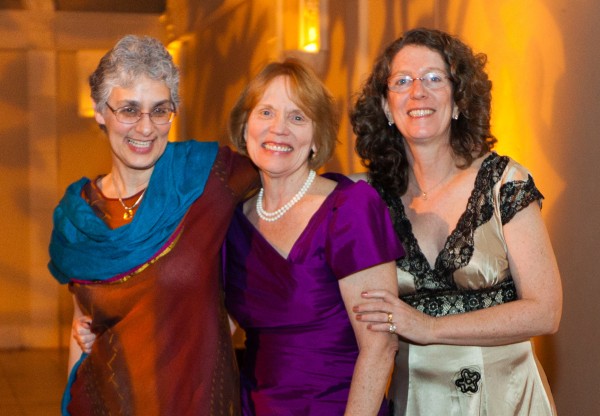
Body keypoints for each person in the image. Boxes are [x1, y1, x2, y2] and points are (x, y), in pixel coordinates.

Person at [350, 28, 562, 415]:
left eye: (434, 78)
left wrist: (428, 327)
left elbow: (545, 311)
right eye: (402, 81)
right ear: (385, 106)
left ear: (458, 100)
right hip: (414, 401)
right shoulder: (366, 200)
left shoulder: (504, 183)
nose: (418, 91)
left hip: (506, 399)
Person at [49, 35, 258, 415]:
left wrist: (225, 321)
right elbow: (82, 326)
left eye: (160, 110)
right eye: (129, 109)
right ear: (100, 111)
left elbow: (286, 185)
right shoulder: (77, 216)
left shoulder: (206, 177)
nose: (146, 128)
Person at [224, 58, 404, 415]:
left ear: (316, 138)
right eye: (266, 113)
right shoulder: (232, 223)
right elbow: (210, 330)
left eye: (297, 117)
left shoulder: (350, 209)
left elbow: (380, 345)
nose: (279, 129)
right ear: (245, 127)